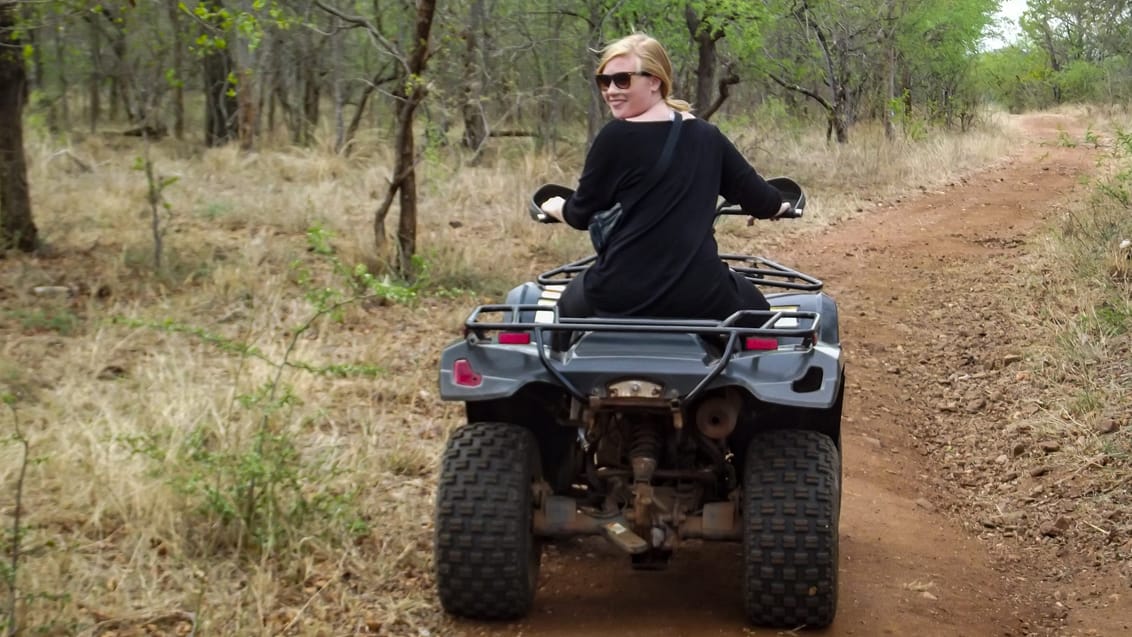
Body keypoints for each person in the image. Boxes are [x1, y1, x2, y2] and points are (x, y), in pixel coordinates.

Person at [539, 33, 790, 324]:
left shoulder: (614, 137)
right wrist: (778, 207)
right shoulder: (708, 137)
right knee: (761, 317)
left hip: (618, 293)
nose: (610, 90)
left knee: (559, 323)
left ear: (655, 81)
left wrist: (555, 207)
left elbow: (580, 214)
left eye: (622, 80)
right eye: (603, 81)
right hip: (703, 295)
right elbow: (761, 199)